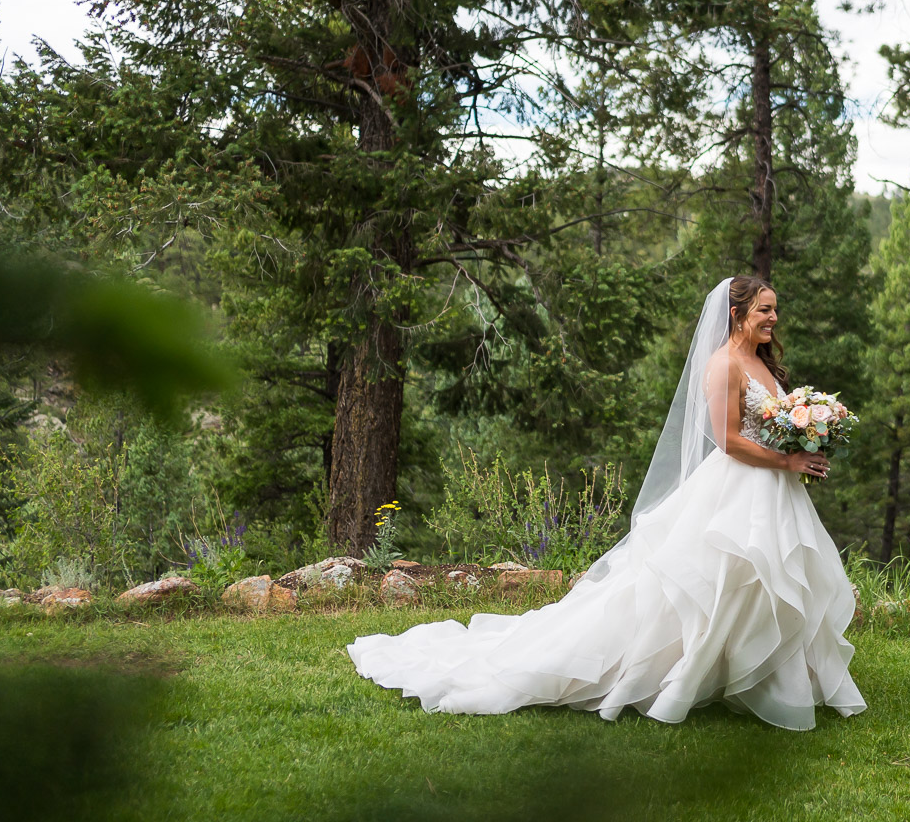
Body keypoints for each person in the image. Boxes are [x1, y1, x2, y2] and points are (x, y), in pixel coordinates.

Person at [347, 276, 866, 730]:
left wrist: (806, 437)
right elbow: (728, 440)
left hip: (772, 490)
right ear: (737, 313)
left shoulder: (762, 363)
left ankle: (772, 678)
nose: (774, 318)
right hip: (737, 488)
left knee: (765, 583)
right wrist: (787, 461)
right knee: (720, 584)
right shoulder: (724, 365)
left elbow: (767, 424)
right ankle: (683, 675)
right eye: (765, 309)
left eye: (775, 310)